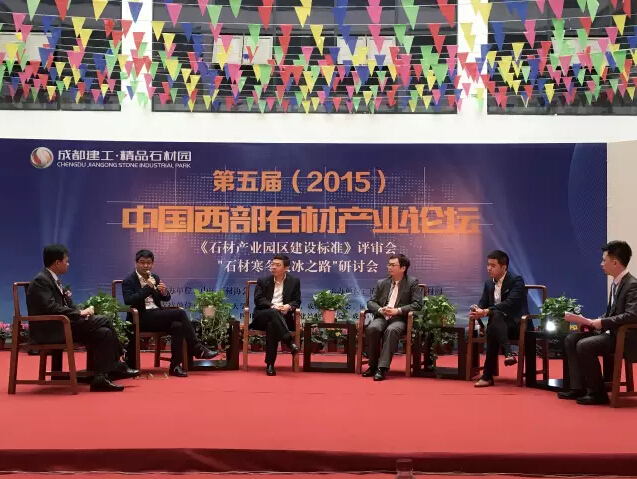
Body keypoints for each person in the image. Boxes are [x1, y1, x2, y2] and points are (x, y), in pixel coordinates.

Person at [26, 244, 139, 392]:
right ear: (57, 263)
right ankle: (118, 363)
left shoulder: (52, 279)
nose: (68, 264)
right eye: (66, 261)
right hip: (51, 329)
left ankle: (100, 379)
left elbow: (64, 305)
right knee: (105, 319)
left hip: (63, 324)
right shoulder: (41, 280)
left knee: (104, 332)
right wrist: (80, 313)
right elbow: (50, 307)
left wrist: (81, 310)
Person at [560, 240, 637, 405]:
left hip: (624, 337)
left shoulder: (632, 285)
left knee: (585, 345)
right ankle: (578, 387)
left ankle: (598, 393)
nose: (601, 264)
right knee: (571, 339)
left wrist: (602, 322)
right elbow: (613, 312)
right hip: (612, 333)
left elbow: (632, 315)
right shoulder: (616, 283)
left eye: (604, 260)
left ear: (615, 262)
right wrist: (590, 321)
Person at [121, 249, 217, 377]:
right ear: (136, 263)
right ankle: (197, 348)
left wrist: (163, 292)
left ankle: (175, 366)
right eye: (142, 262)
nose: (145, 265)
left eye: (148, 263)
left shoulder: (154, 277)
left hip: (156, 315)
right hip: (140, 318)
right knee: (180, 313)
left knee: (178, 325)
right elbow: (129, 301)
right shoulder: (129, 280)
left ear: (152, 264)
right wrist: (148, 288)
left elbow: (165, 298)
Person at [469, 250, 529, 388]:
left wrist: (487, 311)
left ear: (503, 267)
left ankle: (487, 376)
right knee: (494, 322)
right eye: (488, 264)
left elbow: (510, 304)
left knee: (494, 320)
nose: (488, 268)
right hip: (498, 326)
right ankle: (508, 353)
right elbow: (483, 303)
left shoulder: (516, 280)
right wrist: (477, 310)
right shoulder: (488, 283)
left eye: (493, 265)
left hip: (516, 325)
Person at [362, 254, 423, 381]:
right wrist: (380, 309)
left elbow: (417, 304)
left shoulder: (412, 282)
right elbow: (371, 302)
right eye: (388, 265)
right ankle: (373, 366)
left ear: (403, 268)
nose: (389, 267)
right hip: (382, 317)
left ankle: (382, 368)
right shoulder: (382, 283)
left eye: (393, 265)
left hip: (399, 319)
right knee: (372, 328)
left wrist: (397, 311)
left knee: (392, 330)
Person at [251, 254, 301, 376]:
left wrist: (288, 306)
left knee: (272, 325)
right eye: (272, 264)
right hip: (262, 317)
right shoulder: (263, 281)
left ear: (286, 268)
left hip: (282, 319)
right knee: (273, 313)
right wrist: (272, 306)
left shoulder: (294, 281)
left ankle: (270, 364)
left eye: (277, 265)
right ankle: (289, 341)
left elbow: (296, 301)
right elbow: (258, 300)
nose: (273, 267)